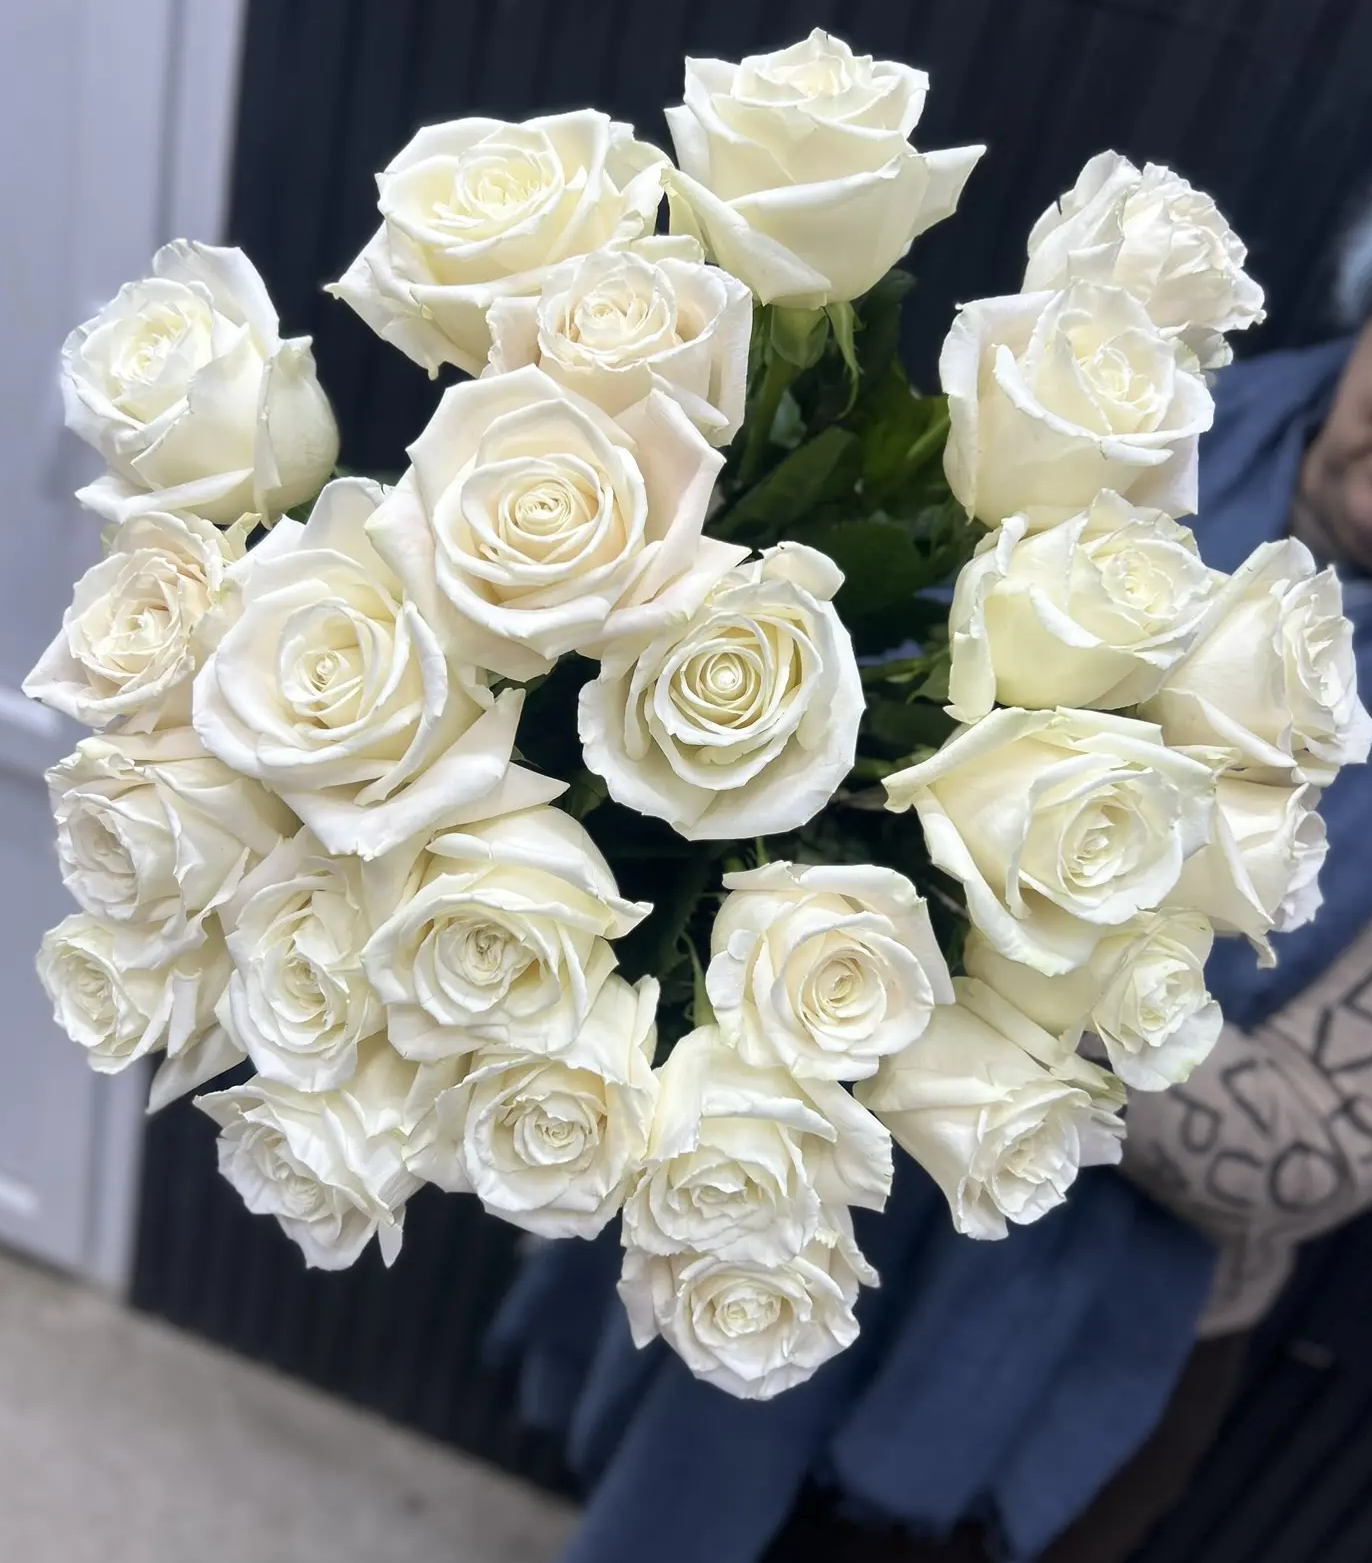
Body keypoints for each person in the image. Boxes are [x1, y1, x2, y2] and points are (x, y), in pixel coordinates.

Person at [489, 217, 1372, 1563]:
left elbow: (1300, 1154)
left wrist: (982, 915)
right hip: (780, 1155)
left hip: (1038, 1341)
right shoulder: (1119, 430)